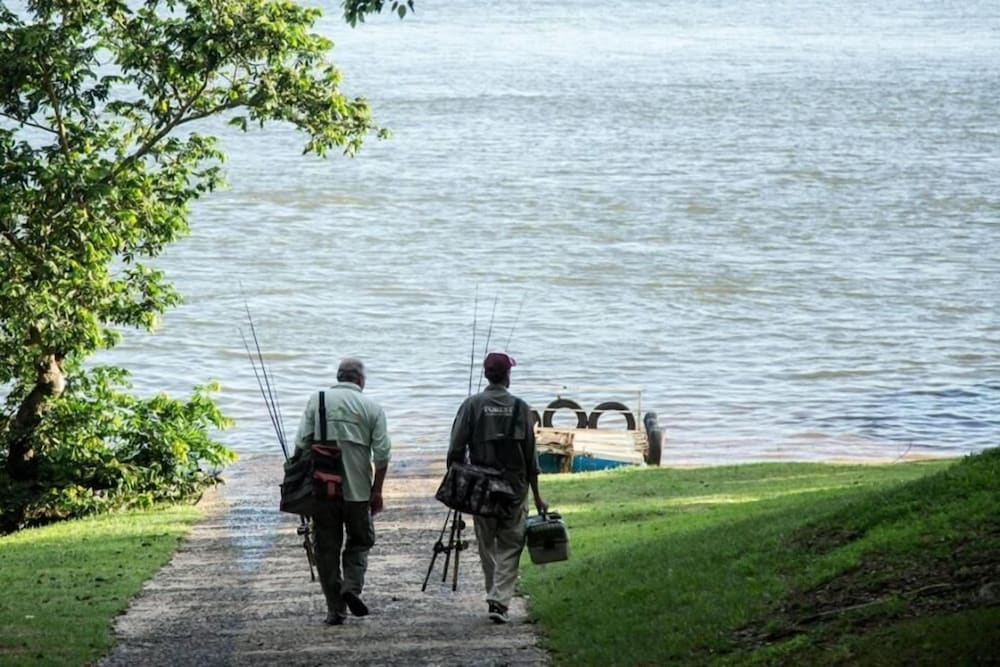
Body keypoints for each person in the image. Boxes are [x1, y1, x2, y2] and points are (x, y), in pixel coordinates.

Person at [448, 351, 546, 624]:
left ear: (486, 374)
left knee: (486, 542)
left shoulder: (472, 405)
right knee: (511, 544)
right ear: (507, 376)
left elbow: (455, 448)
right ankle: (499, 600)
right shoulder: (521, 407)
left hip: (480, 488)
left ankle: (495, 594)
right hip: (514, 488)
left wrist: (456, 486)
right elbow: (531, 457)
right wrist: (537, 496)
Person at [292, 357, 391, 626]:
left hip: (324, 491)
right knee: (360, 541)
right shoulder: (372, 407)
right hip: (358, 492)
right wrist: (377, 491)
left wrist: (297, 484)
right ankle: (351, 586)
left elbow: (301, 444)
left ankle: (335, 609)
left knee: (326, 548)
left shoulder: (317, 400)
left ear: (338, 377)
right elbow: (382, 455)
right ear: (361, 380)